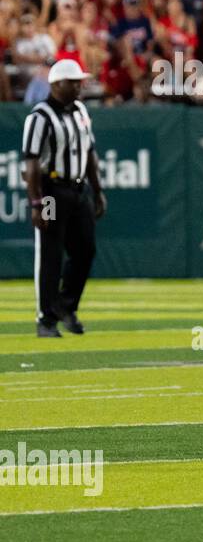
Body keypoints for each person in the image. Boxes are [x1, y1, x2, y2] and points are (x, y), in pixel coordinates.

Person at [20, 59, 106, 338]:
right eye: (74, 82)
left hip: (78, 188)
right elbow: (31, 163)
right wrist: (36, 203)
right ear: (57, 84)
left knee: (85, 250)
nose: (80, 86)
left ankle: (65, 304)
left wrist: (98, 189)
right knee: (50, 253)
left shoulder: (81, 110)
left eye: (80, 81)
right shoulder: (40, 116)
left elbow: (90, 152)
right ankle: (46, 318)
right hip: (51, 191)